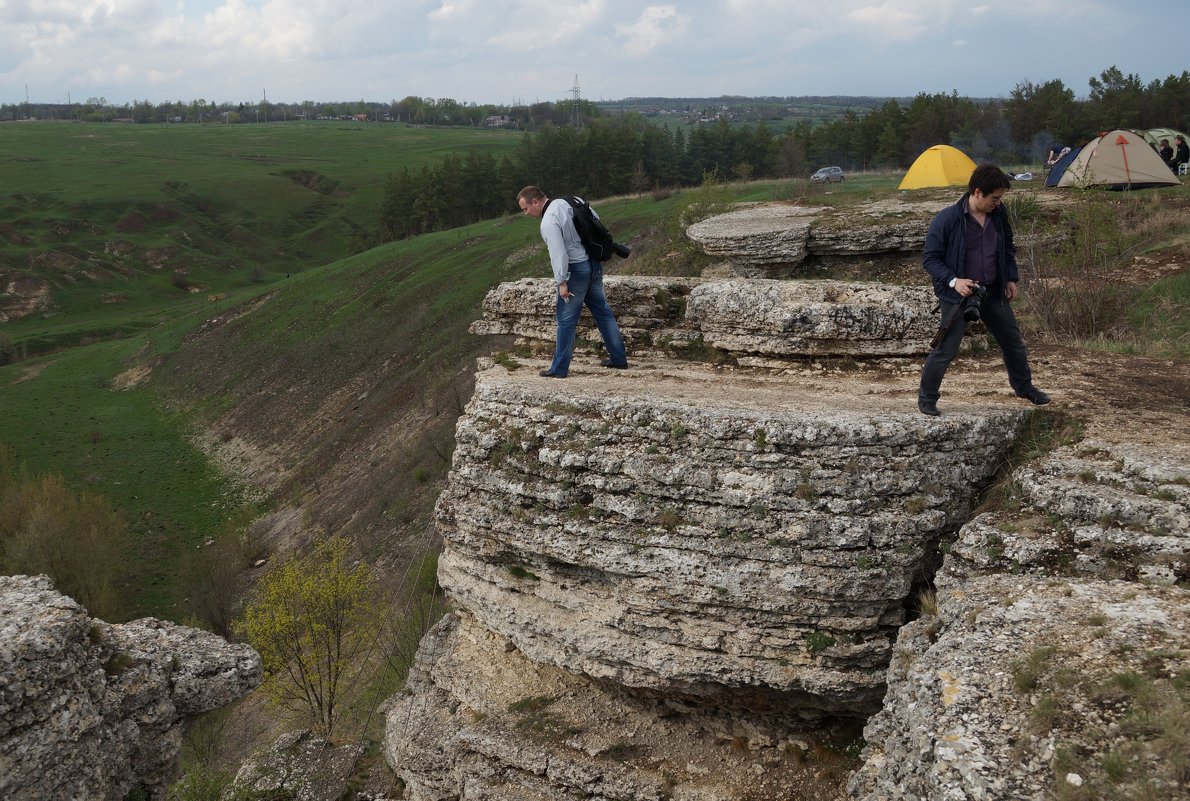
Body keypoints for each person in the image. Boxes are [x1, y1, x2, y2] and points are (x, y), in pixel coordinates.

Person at [918, 164, 1050, 416]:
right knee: (946, 349)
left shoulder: (999, 214)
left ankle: (1025, 388)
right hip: (958, 295)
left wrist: (1011, 278)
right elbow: (930, 259)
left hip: (993, 291)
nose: (998, 203)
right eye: (995, 198)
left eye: (1000, 199)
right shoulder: (946, 219)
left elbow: (1008, 247)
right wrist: (954, 281)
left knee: (1013, 343)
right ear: (978, 192)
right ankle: (927, 399)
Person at [516, 186, 628, 378]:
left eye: (525, 209)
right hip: (593, 264)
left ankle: (559, 369)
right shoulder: (571, 200)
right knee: (603, 313)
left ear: (535, 202)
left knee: (566, 321)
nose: (526, 213)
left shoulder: (549, 220)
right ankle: (619, 359)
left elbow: (558, 253)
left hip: (576, 270)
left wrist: (561, 282)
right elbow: (595, 220)